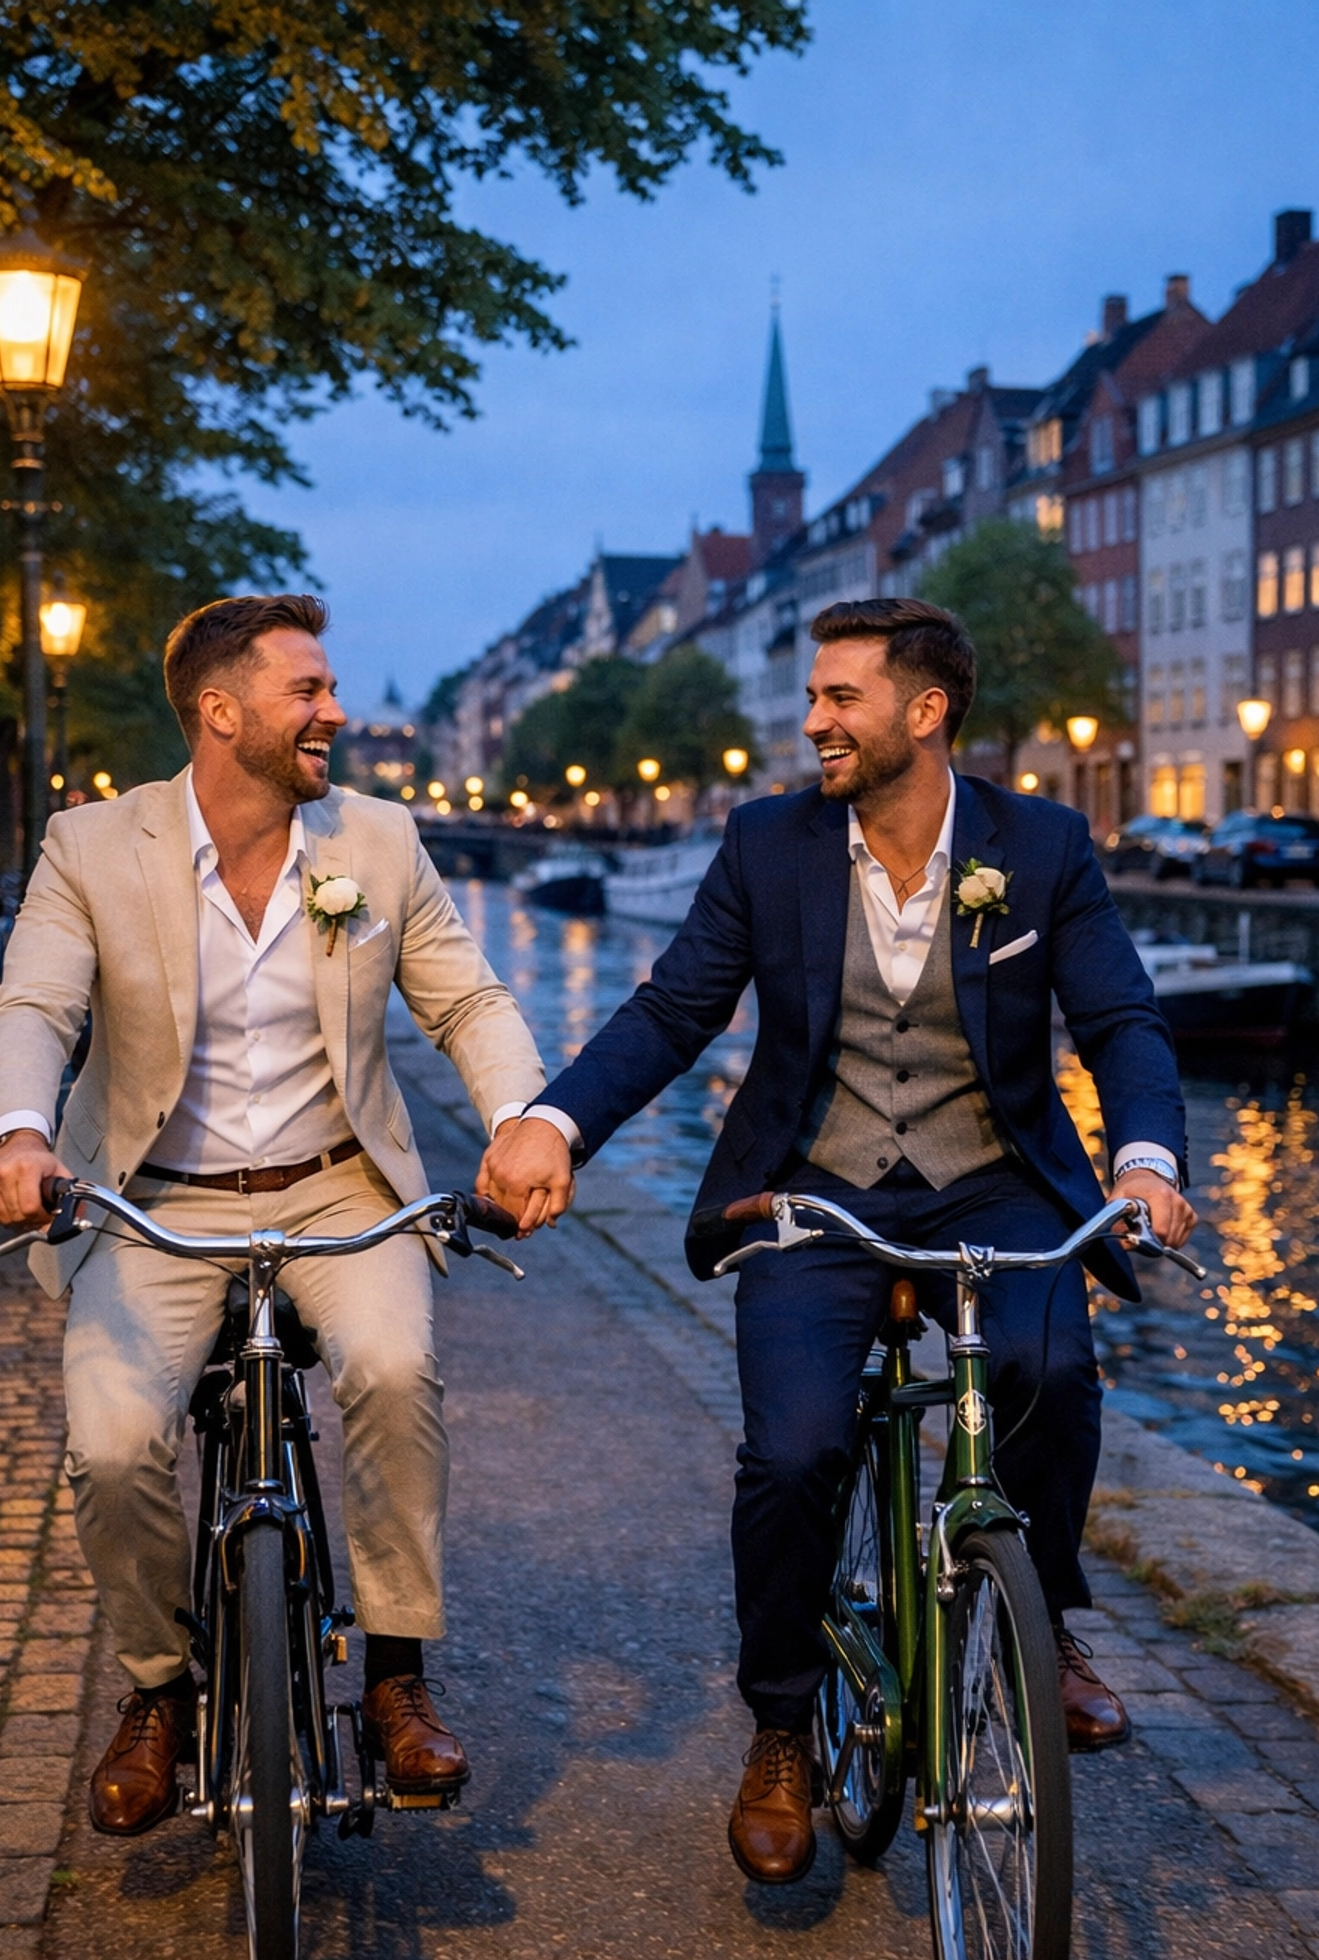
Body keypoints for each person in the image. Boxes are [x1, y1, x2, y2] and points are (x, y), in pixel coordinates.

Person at [480, 596, 1195, 1886]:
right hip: (818, 1190)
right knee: (797, 1448)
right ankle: (780, 1725)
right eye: (812, 698)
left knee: (1051, 1374)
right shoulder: (770, 847)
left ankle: (1052, 1621)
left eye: (839, 698)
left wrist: (1144, 1160)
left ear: (925, 713)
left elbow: (1123, 1021)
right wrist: (555, 1125)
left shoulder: (1041, 847)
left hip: (995, 1182)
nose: (813, 721)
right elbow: (672, 1009)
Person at [0, 593, 545, 1835]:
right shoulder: (91, 845)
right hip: (151, 1201)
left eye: (329, 689)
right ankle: (158, 1690)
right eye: (309, 692)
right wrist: (18, 1134)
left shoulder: (378, 841)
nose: (335, 711)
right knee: (116, 1445)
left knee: (395, 1371)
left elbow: (467, 1000)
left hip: (340, 1184)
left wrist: (522, 1120)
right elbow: (34, 1010)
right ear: (220, 713)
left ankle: (395, 1671)